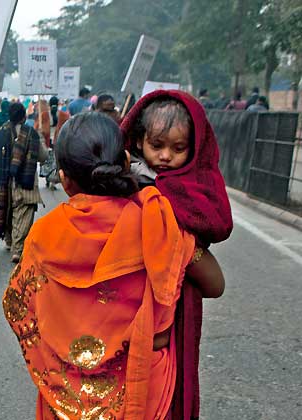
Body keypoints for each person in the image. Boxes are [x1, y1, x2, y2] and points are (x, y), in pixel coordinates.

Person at [3, 112, 225, 420]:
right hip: (142, 392)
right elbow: (216, 285)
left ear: (65, 179)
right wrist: (185, 240)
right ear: (125, 159)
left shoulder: (43, 234)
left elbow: (20, 309)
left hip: (63, 396)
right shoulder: (157, 224)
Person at [121, 89, 233, 419]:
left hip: (180, 298)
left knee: (170, 388)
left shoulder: (197, 182)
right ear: (139, 140)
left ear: (195, 147)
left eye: (178, 148)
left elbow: (215, 219)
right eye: (158, 146)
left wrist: (162, 204)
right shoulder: (125, 176)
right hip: (131, 300)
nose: (166, 156)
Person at [0, 102, 47, 262]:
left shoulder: (0, 134)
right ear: (24, 117)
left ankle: (10, 240)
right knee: (23, 214)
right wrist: (42, 142)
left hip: (4, 183)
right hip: (25, 183)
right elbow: (43, 157)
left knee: (8, 212)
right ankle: (17, 249)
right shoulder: (32, 134)